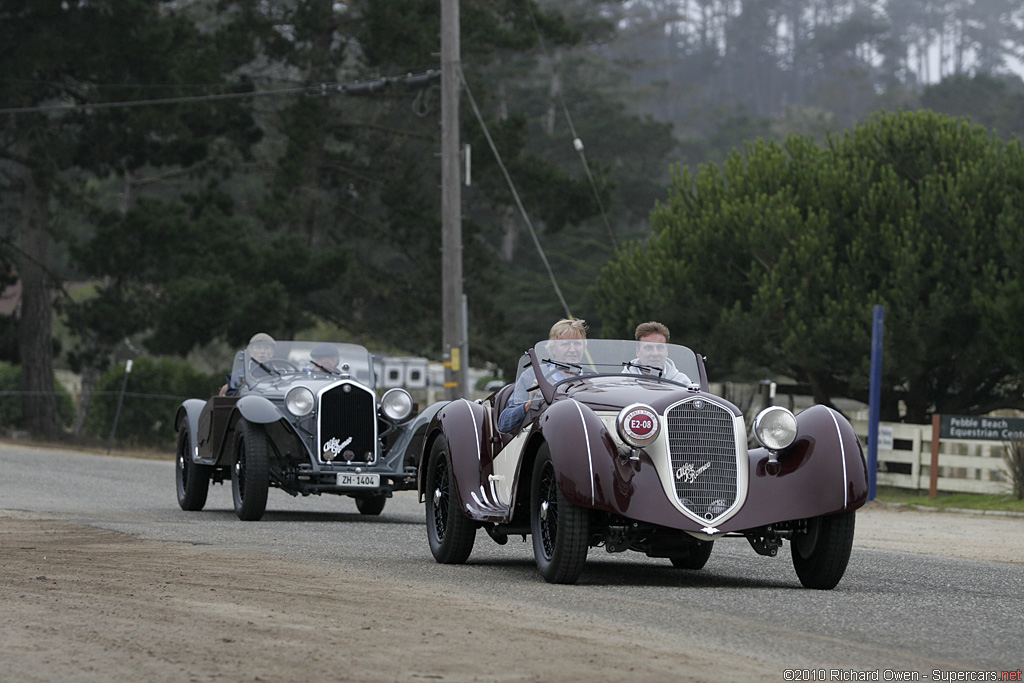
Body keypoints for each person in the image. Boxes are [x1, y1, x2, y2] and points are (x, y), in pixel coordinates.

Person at [497, 318, 588, 434]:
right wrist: (531, 403)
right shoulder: (532, 375)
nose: (572, 349)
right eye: (565, 344)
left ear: (584, 347)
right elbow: (504, 423)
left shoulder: (593, 378)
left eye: (577, 344)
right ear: (553, 348)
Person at [622, 321, 691, 383]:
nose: (655, 353)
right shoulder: (623, 381)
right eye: (648, 348)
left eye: (660, 347)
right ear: (638, 351)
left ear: (666, 351)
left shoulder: (682, 382)